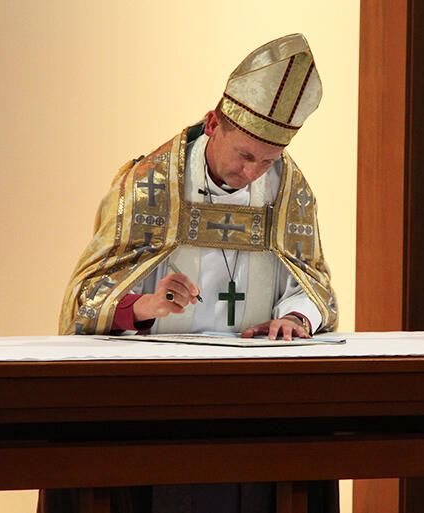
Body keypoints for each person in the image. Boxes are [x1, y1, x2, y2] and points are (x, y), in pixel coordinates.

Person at [50, 34, 339, 513]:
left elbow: (311, 279)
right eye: (245, 156)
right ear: (213, 124)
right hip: (158, 397)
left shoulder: (290, 190)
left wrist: (296, 318)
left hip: (256, 397)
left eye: (267, 161)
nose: (252, 173)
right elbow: (87, 297)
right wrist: (143, 305)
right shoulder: (148, 183)